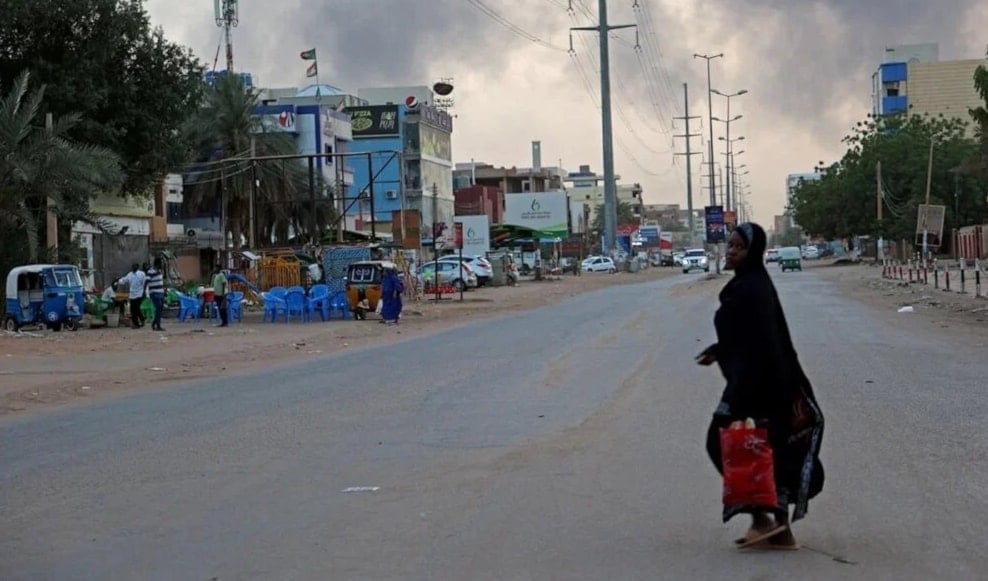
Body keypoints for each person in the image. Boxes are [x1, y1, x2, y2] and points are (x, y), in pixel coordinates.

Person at [696, 222, 825, 551]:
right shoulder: (748, 286)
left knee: (723, 443)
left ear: (753, 251)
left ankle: (765, 520)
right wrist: (720, 350)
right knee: (766, 451)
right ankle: (776, 527)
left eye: (738, 247)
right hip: (762, 384)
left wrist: (743, 392)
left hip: (761, 388)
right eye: (730, 245)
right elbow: (745, 336)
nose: (731, 251)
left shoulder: (752, 289)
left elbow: (762, 343)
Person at [117, 263, 147, 329]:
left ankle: (141, 319)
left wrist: (145, 292)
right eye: (133, 266)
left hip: (139, 293)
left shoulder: (141, 274)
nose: (133, 267)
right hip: (132, 294)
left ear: (138, 267)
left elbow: (144, 283)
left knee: (136, 307)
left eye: (135, 266)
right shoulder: (130, 274)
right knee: (133, 310)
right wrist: (119, 280)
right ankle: (136, 323)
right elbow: (125, 280)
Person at [146, 258, 166, 331]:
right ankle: (158, 325)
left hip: (161, 292)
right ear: (158, 264)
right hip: (154, 292)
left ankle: (154, 322)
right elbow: (146, 281)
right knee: (158, 307)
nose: (162, 265)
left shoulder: (160, 271)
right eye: (161, 263)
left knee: (160, 309)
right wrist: (144, 292)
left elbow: (161, 281)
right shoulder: (151, 271)